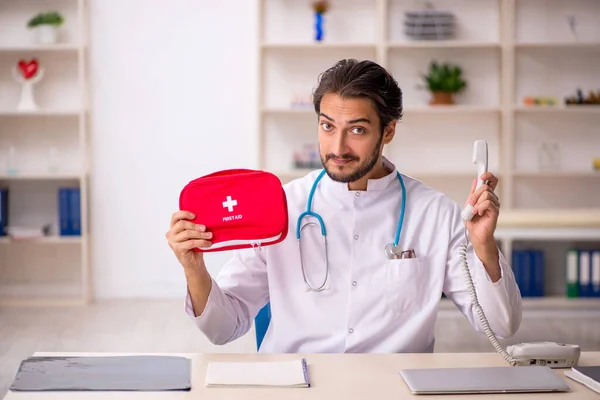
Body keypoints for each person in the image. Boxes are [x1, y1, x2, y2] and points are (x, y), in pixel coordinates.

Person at [166, 59, 522, 353]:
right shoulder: (282, 206)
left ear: (388, 131)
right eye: (327, 126)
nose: (337, 147)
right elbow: (224, 328)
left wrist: (484, 247)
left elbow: (501, 326)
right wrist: (194, 269)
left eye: (357, 130)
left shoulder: (435, 214)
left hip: (393, 387)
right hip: (298, 387)